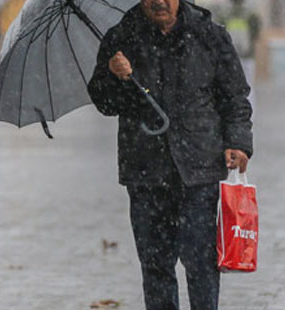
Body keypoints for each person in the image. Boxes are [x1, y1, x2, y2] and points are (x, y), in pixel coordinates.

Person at [86, 0, 254, 308]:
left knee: (201, 262)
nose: (159, 2)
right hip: (145, 170)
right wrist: (113, 76)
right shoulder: (121, 37)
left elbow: (234, 96)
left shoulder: (209, 35)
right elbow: (105, 102)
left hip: (199, 169)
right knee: (155, 265)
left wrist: (239, 142)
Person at [217, 0, 260, 106]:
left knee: (230, 88)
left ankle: (236, 114)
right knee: (249, 87)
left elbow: (218, 33)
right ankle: (249, 116)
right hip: (247, 55)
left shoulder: (225, 13)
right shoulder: (250, 13)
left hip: (230, 56)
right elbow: (256, 33)